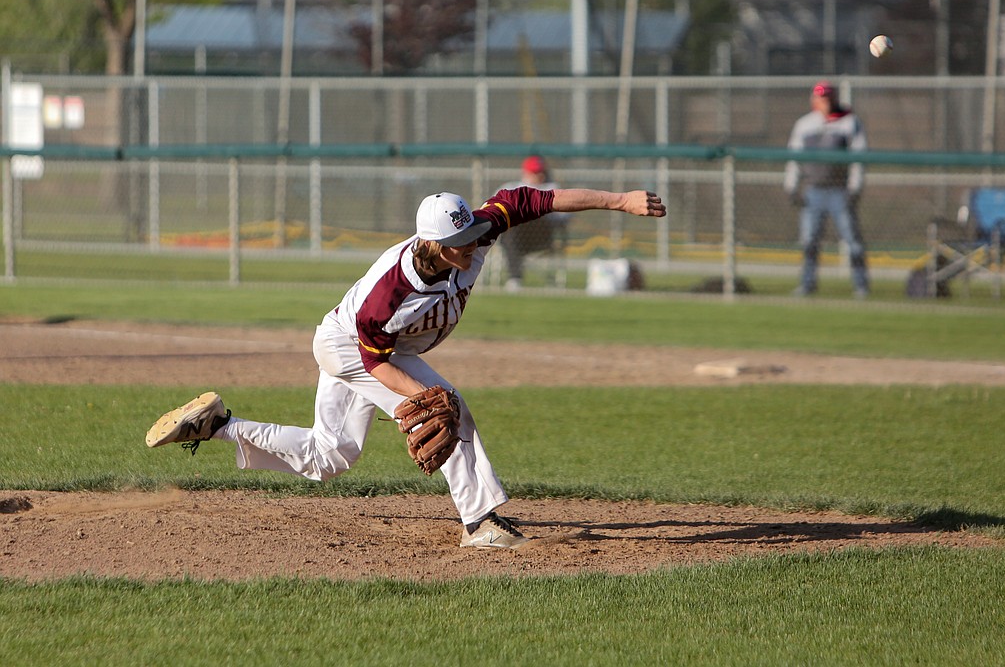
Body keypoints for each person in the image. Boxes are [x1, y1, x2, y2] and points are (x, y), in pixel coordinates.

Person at [145, 185, 666, 550]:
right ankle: (480, 521)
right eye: (458, 244)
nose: (472, 246)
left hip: (380, 346)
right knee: (449, 412)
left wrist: (619, 201)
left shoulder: (476, 229)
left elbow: (540, 199)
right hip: (353, 346)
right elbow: (375, 361)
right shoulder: (389, 295)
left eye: (471, 236)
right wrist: (421, 404)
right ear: (433, 245)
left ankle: (218, 425)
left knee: (332, 457)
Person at [783, 80, 870, 298]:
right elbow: (793, 159)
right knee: (809, 240)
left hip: (840, 191)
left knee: (852, 242)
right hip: (813, 191)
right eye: (820, 97)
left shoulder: (849, 122)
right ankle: (807, 284)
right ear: (813, 100)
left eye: (828, 97)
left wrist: (855, 188)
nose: (824, 101)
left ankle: (861, 285)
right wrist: (791, 186)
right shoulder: (805, 124)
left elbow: (859, 159)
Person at [498, 155, 568, 291]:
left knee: (533, 212)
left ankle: (517, 278)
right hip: (514, 236)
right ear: (525, 172)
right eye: (534, 172)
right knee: (510, 226)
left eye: (540, 172)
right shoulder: (510, 188)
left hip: (542, 236)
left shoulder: (552, 188)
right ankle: (515, 277)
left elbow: (564, 217)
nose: (539, 175)